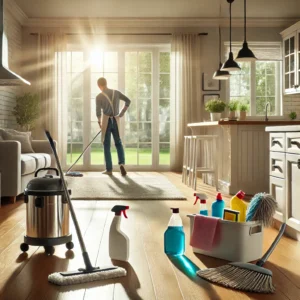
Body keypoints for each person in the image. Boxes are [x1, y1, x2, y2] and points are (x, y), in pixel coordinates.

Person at [96, 77, 131, 176]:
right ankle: (122, 164)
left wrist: (100, 122)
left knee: (106, 145)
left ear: (99, 86)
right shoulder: (116, 93)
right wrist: (121, 113)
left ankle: (109, 169)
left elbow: (98, 112)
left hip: (106, 121)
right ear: (106, 83)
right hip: (116, 120)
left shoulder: (99, 96)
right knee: (118, 143)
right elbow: (128, 101)